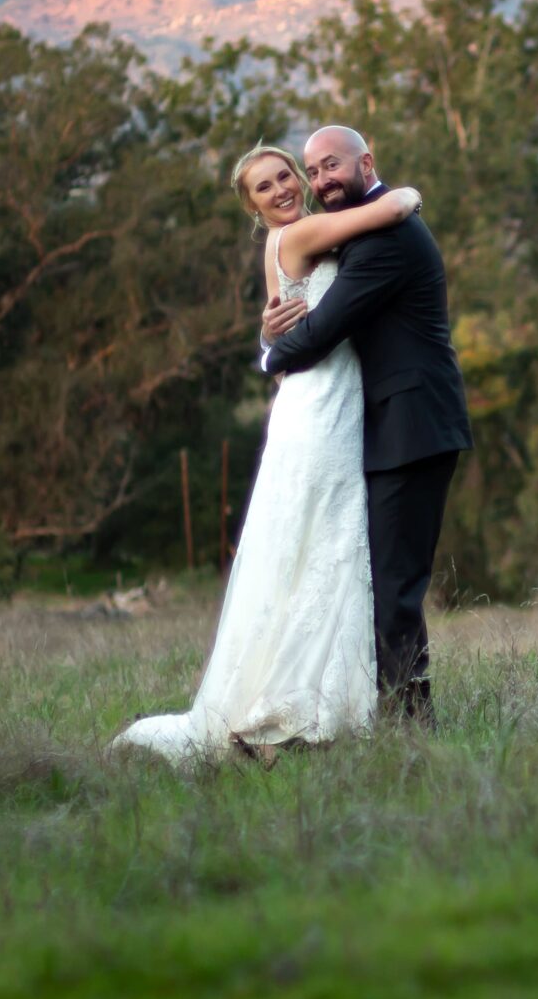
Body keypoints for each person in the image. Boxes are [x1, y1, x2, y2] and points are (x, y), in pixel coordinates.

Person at [111, 142, 422, 765]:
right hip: (321, 411)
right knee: (326, 542)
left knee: (315, 546)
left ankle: (320, 702)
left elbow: (281, 329)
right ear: (252, 206)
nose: (282, 189)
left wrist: (265, 338)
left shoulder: (284, 244)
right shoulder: (299, 234)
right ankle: (304, 708)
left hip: (320, 400)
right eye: (265, 187)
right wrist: (407, 193)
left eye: (287, 176)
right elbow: (388, 213)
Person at [260, 124, 472, 723]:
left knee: (395, 588)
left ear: (365, 162)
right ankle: (392, 712)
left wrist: (269, 355)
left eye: (332, 166)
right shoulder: (369, 222)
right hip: (393, 428)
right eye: (314, 171)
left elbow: (323, 330)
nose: (322, 180)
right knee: (384, 583)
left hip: (412, 429)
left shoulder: (387, 235)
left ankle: (412, 725)